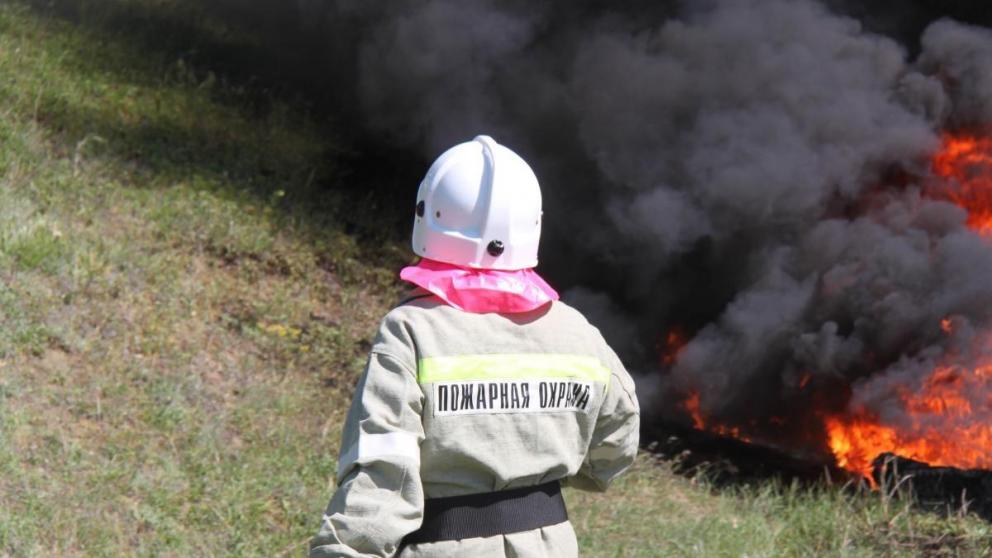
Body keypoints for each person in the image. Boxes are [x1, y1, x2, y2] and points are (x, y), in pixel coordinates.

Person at [310, 135, 640, 558]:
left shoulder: (412, 331)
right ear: (532, 227)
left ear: (427, 215)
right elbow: (617, 443)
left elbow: (382, 474)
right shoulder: (578, 333)